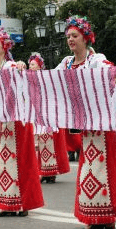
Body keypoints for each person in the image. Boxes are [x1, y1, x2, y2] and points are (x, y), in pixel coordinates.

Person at [56, 16, 116, 229]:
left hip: (104, 124)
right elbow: (50, 80)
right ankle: (92, 217)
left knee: (106, 169)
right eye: (68, 36)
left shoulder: (96, 59)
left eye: (75, 36)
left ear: (85, 38)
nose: (70, 40)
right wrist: (25, 71)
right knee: (89, 170)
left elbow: (111, 72)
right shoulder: (66, 63)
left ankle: (109, 218)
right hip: (86, 125)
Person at [0, 28, 44, 217]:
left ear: (4, 48)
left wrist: (22, 66)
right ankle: (8, 203)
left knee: (21, 160)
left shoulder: (11, 66)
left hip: (18, 121)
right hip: (4, 122)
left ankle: (23, 203)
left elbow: (24, 81)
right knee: (5, 161)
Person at [27, 52, 70, 183]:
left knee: (47, 142)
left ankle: (50, 172)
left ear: (40, 66)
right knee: (37, 143)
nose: (30, 67)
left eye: (33, 64)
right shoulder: (28, 79)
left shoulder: (46, 78)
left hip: (46, 115)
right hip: (34, 115)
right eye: (30, 64)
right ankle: (40, 171)